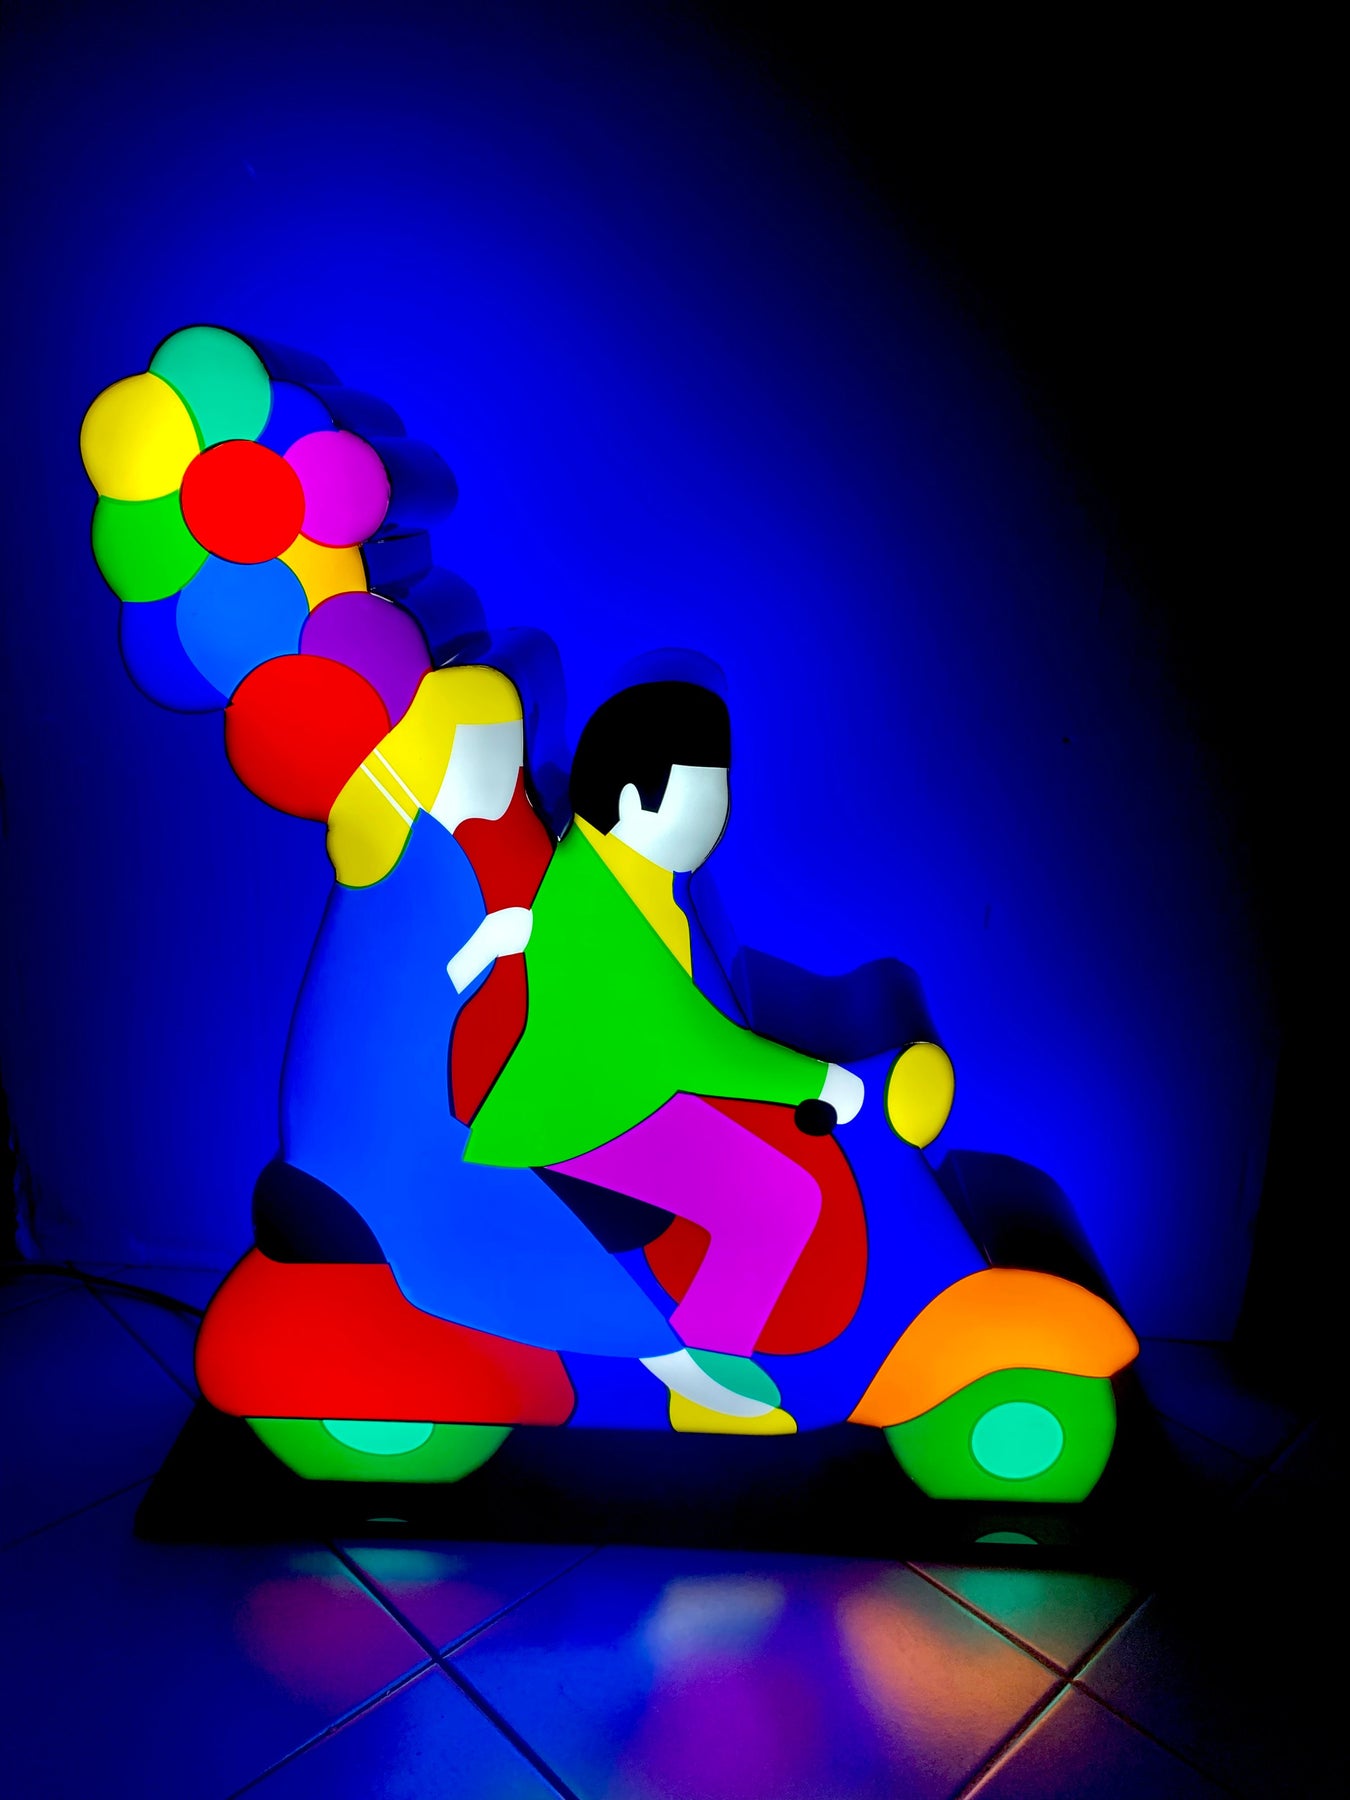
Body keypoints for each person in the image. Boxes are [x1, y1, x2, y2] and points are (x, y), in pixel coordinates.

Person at [464, 676, 865, 1423]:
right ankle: (702, 1377)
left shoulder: (630, 875)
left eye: (720, 797)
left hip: (619, 1095)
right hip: (576, 1120)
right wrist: (817, 1081)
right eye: (702, 799)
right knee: (774, 1201)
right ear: (630, 802)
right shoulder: (596, 902)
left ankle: (704, 1361)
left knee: (779, 1191)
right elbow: (682, 1041)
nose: (716, 821)